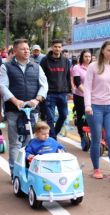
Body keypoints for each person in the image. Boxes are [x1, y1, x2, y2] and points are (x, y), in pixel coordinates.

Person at [0, 38, 48, 178]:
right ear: (15, 51)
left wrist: (37, 99)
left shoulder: (36, 66)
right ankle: (15, 173)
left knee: (29, 142)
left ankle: (27, 170)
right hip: (13, 110)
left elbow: (44, 85)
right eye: (23, 49)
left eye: (28, 48)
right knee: (15, 143)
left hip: (32, 111)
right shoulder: (5, 67)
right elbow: (2, 86)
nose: (27, 51)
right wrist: (15, 101)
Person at [84, 40, 110, 180]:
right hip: (94, 107)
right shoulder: (93, 66)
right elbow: (87, 88)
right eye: (109, 50)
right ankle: (96, 169)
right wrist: (87, 105)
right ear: (102, 50)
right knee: (96, 139)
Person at [40, 39, 71, 139]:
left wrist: (68, 90)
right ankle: (53, 139)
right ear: (52, 47)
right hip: (49, 94)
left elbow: (67, 76)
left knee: (64, 116)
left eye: (59, 47)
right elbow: (41, 77)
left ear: (61, 48)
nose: (57, 49)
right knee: (50, 119)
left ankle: (53, 134)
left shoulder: (66, 61)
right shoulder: (45, 60)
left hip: (62, 93)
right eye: (55, 47)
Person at [71, 50, 91, 146]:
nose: (88, 58)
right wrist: (87, 93)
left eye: (89, 56)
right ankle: (82, 134)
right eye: (86, 56)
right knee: (81, 115)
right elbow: (77, 83)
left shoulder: (93, 67)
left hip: (92, 96)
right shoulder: (76, 67)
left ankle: (89, 133)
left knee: (90, 115)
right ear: (82, 57)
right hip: (80, 95)